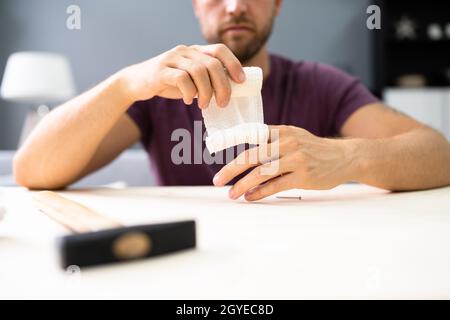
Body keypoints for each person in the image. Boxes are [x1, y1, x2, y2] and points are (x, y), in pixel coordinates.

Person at [13, 0, 450, 201]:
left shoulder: (321, 84)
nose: (235, 6)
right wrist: (124, 84)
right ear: (196, 7)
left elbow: (439, 155)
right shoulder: (157, 90)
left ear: (278, 4)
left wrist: (346, 158)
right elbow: (32, 170)